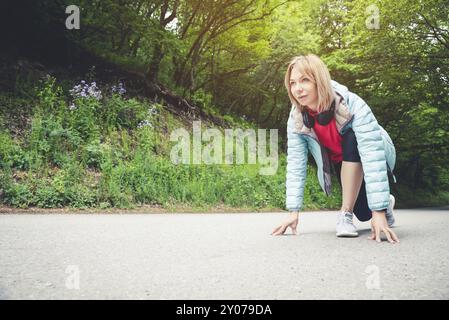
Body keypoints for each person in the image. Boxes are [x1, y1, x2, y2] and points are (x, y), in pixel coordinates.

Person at [271, 54, 399, 244]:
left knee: (351, 137)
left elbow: (372, 156)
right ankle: (387, 202)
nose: (298, 88)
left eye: (305, 80)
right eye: (293, 83)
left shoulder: (353, 104)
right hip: (343, 163)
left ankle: (346, 215)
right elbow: (296, 164)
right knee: (364, 213)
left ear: (319, 81)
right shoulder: (297, 119)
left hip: (374, 153)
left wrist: (378, 212)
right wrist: (293, 211)